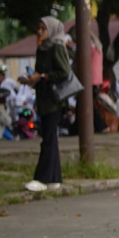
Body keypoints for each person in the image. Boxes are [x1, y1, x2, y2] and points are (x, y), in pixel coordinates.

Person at [21, 17, 73, 192]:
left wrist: (43, 76)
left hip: (54, 100)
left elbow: (64, 72)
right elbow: (39, 73)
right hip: (43, 99)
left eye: (43, 29)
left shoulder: (57, 47)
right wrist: (31, 79)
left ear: (51, 30)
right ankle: (54, 178)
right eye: (39, 28)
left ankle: (41, 179)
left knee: (48, 139)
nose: (39, 32)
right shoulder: (42, 48)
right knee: (51, 138)